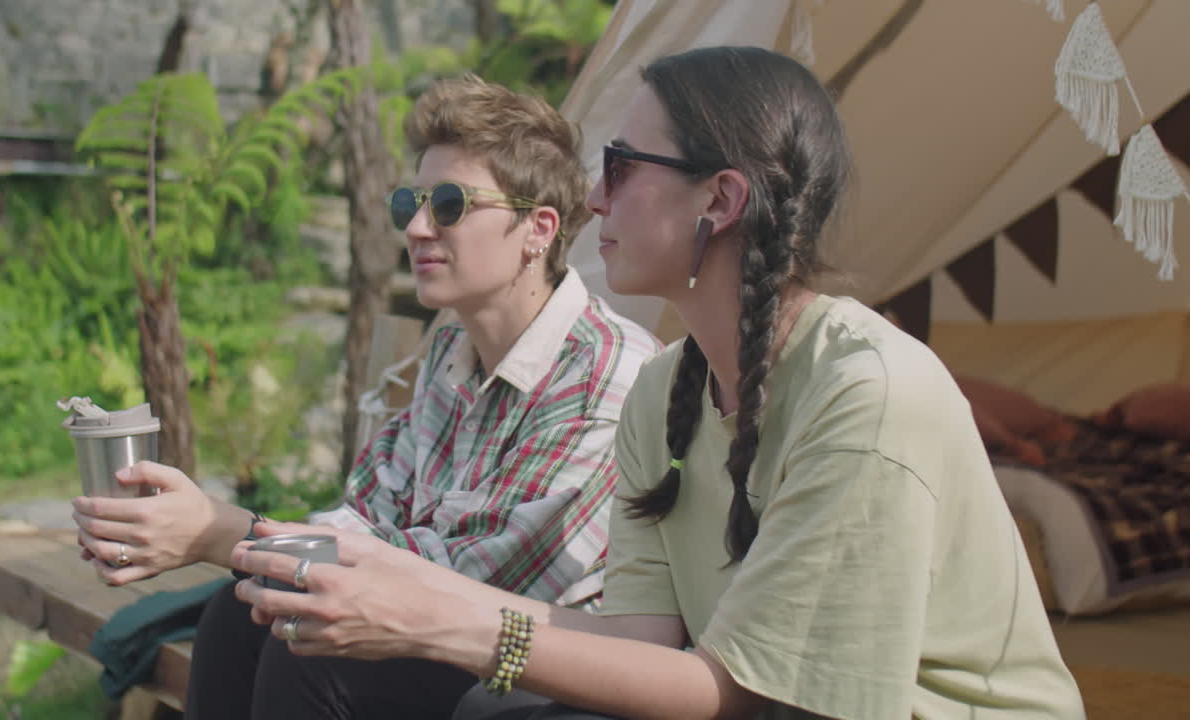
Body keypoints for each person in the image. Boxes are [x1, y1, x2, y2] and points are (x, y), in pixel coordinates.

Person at [230, 46, 1086, 719]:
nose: (595, 199)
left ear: (718, 200)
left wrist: (442, 624)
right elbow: (643, 640)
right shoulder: (667, 391)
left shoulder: (867, 394)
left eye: (623, 165)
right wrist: (400, 597)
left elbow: (731, 687)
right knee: (331, 659)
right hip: (743, 700)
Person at [71, 74, 661, 718]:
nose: (417, 227)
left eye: (450, 203)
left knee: (314, 654)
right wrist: (236, 543)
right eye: (409, 204)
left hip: (546, 664)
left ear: (538, 229)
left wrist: (225, 533)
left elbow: (471, 580)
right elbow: (372, 515)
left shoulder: (607, 370)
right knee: (238, 616)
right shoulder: (451, 352)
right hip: (443, 633)